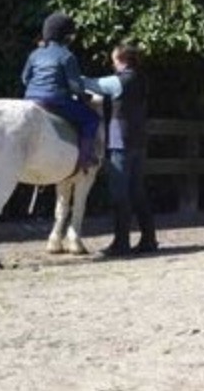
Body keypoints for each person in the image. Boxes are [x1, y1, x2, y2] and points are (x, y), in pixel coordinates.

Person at [84, 43, 157, 257]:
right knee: (137, 191)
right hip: (139, 141)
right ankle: (149, 238)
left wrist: (68, 77)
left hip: (120, 141)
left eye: (114, 60)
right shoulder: (142, 79)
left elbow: (92, 84)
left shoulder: (119, 81)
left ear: (122, 60)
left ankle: (121, 242)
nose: (112, 63)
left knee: (119, 193)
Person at [22, 12, 100, 170]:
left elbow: (24, 79)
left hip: (30, 99)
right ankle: (85, 159)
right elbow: (76, 87)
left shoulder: (35, 54)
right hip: (56, 101)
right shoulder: (67, 56)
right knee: (92, 119)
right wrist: (84, 97)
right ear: (67, 36)